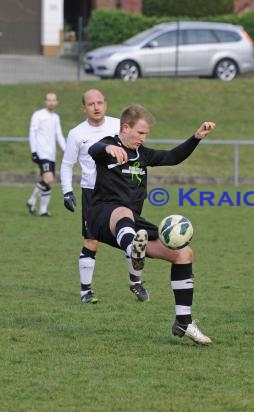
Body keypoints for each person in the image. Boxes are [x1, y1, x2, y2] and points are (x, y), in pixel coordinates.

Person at [87, 104, 215, 345]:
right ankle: (132, 250)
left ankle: (183, 322)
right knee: (123, 211)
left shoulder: (142, 154)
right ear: (126, 127)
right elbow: (95, 149)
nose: (143, 138)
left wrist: (196, 138)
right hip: (102, 215)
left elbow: (173, 157)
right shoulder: (108, 144)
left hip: (132, 222)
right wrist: (110, 147)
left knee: (183, 253)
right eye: (141, 133)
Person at [60, 89, 134, 304]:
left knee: (131, 236)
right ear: (84, 108)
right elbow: (67, 165)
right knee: (92, 240)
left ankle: (135, 282)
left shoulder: (119, 126)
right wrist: (67, 191)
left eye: (100, 102)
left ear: (106, 104)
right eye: (91, 104)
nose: (96, 107)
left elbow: (135, 153)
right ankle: (85, 291)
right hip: (92, 192)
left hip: (119, 189)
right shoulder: (76, 133)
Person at [26, 92, 66, 217]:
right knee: (48, 179)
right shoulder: (38, 115)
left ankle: (43, 210)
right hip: (41, 153)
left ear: (57, 102)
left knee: (48, 182)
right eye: (49, 100)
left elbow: (59, 135)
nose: (51, 102)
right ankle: (31, 200)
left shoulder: (56, 117)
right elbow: (32, 133)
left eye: (53, 100)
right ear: (45, 101)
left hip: (51, 154)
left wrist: (66, 150)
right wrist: (34, 151)